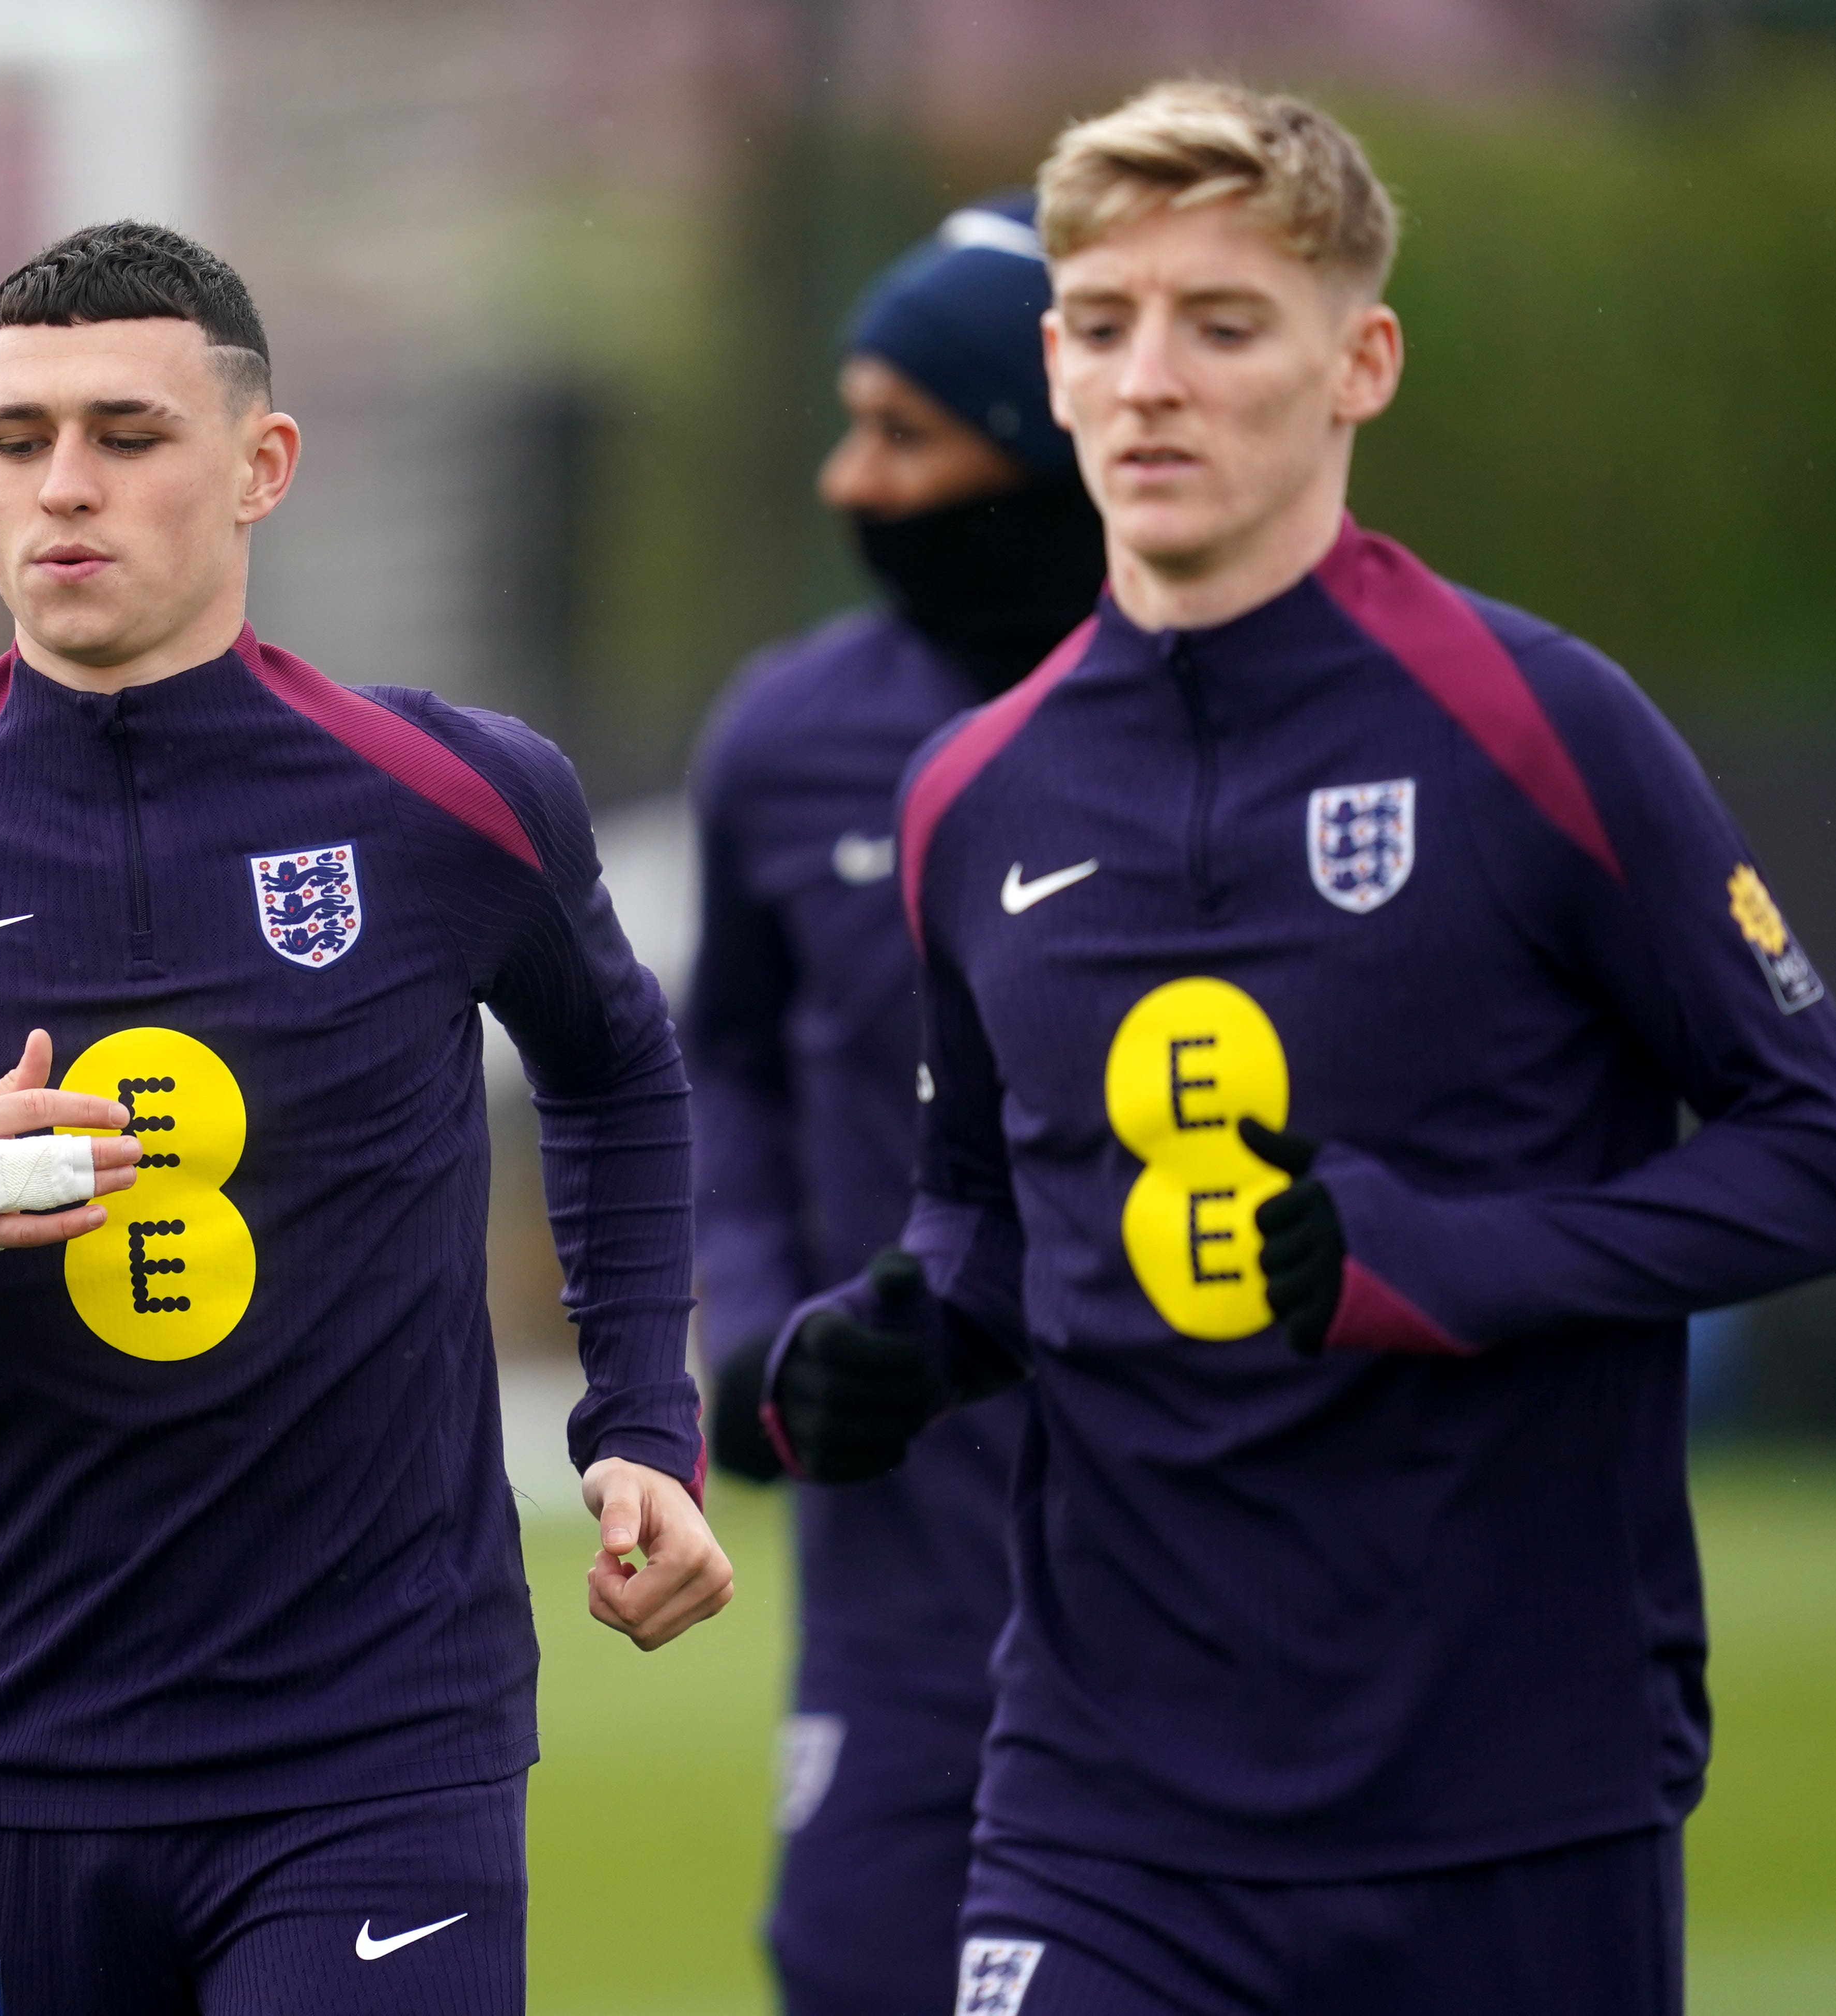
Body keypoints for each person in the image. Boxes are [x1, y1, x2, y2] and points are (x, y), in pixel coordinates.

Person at [759, 82, 1836, 2016]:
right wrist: (899, 1347)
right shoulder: (973, 794)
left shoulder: (1541, 727)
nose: (1152, 382)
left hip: (1509, 1785)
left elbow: (1822, 1148)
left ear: (1361, 361)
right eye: (1103, 327)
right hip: (1101, 1806)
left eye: (1225, 323)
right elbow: (982, 1223)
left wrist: (1437, 1260)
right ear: (1054, 364)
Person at [0, 221, 730, 2015]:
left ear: (259, 466)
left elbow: (616, 1071)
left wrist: (641, 1421)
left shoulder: (453, 794)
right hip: (35, 1752)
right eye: (13, 438)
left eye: (127, 436)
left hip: (385, 1743)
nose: (64, 488)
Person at [687, 193, 1099, 2016]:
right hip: (902, 1555)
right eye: (846, 424)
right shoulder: (783, 738)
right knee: (851, 1966)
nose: (856, 483)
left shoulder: (1244, 720)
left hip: (1208, 1530)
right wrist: (762, 1314)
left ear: (1037, 449)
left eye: (907, 435)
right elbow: (728, 1061)